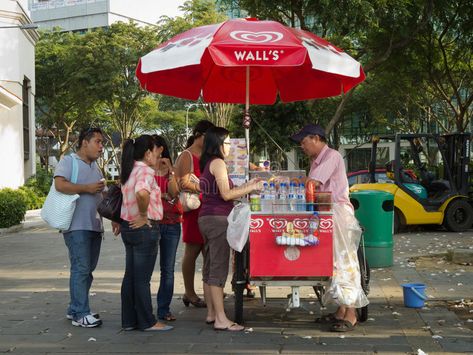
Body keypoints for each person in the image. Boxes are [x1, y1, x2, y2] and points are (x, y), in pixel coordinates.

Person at [290, 123, 369, 332]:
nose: (302, 146)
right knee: (332, 263)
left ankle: (351, 313)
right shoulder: (317, 160)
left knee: (345, 263)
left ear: (316, 138)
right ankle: (340, 310)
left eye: (304, 142)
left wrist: (289, 182)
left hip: (338, 215)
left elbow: (311, 184)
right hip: (327, 215)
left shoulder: (331, 156)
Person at [198, 126, 263, 331]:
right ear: (217, 144)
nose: (229, 147)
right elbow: (226, 194)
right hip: (217, 220)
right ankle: (221, 319)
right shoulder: (217, 163)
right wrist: (252, 187)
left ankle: (211, 313)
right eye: (227, 143)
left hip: (206, 218)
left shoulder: (208, 162)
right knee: (218, 269)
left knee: (209, 267)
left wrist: (247, 185)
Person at [119, 135, 173, 332]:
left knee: (131, 276)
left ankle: (129, 321)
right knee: (142, 279)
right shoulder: (145, 171)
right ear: (148, 152)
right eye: (155, 151)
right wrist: (143, 215)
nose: (157, 155)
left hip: (128, 226)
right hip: (143, 228)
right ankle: (147, 321)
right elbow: (142, 193)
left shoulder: (129, 169)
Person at [54, 127, 105, 328]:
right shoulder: (69, 161)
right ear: (85, 142)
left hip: (95, 225)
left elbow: (100, 194)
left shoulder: (96, 167)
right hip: (76, 226)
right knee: (81, 268)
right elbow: (59, 185)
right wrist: (87, 188)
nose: (101, 147)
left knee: (87, 269)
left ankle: (75, 308)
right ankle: (80, 314)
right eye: (98, 142)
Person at [174, 120, 215, 308]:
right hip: (194, 208)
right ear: (200, 135)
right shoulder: (186, 155)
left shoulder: (209, 155)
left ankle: (210, 291)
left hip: (208, 208)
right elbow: (181, 182)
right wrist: (204, 186)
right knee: (192, 250)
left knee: (209, 250)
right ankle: (189, 292)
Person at [152, 135, 183, 321]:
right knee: (146, 269)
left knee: (168, 269)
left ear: (161, 149)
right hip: (152, 222)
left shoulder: (172, 169)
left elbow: (174, 193)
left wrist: (171, 171)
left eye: (152, 147)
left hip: (171, 223)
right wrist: (161, 196)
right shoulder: (145, 168)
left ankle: (163, 309)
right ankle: (144, 308)